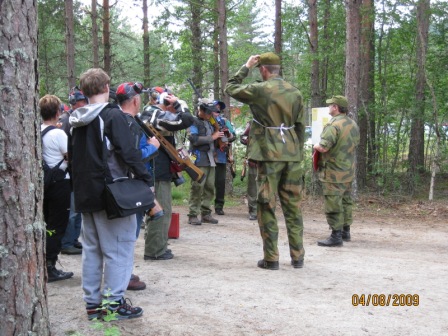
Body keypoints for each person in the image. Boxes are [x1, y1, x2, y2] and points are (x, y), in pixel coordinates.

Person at [68, 68, 153, 320]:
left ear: (84, 91)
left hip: (85, 193)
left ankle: (93, 304)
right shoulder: (112, 116)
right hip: (113, 193)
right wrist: (146, 180)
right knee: (119, 250)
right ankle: (112, 304)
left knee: (92, 250)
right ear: (107, 87)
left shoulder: (74, 119)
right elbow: (129, 153)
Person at [225, 52, 306, 270]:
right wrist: (297, 152)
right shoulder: (295, 92)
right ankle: (298, 256)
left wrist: (246, 66)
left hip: (269, 154)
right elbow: (299, 127)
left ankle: (271, 258)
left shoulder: (261, 90)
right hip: (292, 154)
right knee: (293, 206)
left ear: (263, 69)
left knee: (266, 204)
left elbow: (230, 87)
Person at [116, 81, 160, 290]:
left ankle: (122, 275)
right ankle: (124, 277)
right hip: (132, 185)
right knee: (129, 234)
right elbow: (133, 157)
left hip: (122, 185)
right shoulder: (129, 124)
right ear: (135, 100)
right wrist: (152, 148)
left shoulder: (118, 121)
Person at [141, 91, 194, 259]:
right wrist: (179, 105)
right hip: (156, 169)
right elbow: (186, 120)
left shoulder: (154, 112)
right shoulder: (154, 113)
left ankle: (159, 245)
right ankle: (155, 251)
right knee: (160, 210)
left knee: (163, 210)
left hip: (159, 168)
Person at [314, 95, 360, 247]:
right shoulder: (353, 124)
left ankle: (336, 235)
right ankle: (346, 231)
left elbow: (324, 147)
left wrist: (315, 146)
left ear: (336, 107)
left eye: (331, 105)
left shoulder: (334, 125)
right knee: (346, 201)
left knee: (333, 203)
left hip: (333, 172)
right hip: (348, 170)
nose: (329, 107)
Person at [39, 94, 74, 282]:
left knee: (47, 223)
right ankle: (50, 265)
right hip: (60, 184)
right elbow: (70, 157)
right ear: (58, 112)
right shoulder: (59, 134)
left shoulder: (38, 130)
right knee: (57, 225)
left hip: (45, 183)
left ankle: (44, 262)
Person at [187, 99, 224, 225]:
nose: (210, 115)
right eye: (208, 112)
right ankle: (193, 214)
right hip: (198, 158)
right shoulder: (193, 122)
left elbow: (220, 134)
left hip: (211, 158)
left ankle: (206, 213)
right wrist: (212, 137)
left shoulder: (211, 122)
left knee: (209, 187)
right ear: (201, 111)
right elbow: (194, 139)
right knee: (197, 187)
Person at [60, 86, 88, 255]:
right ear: (75, 103)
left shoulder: (76, 118)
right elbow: (65, 149)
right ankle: (67, 242)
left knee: (77, 209)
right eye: (82, 102)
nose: (85, 104)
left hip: (77, 172)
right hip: (69, 173)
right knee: (71, 210)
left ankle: (74, 239)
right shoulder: (66, 120)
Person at [212, 100, 236, 216]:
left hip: (220, 156)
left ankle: (219, 206)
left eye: (218, 108)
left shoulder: (224, 121)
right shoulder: (204, 121)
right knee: (204, 182)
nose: (217, 110)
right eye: (214, 107)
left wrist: (227, 135)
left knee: (220, 182)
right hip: (206, 156)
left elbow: (234, 136)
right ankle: (203, 207)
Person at [240, 121, 258, 221]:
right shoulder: (252, 123)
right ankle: (253, 211)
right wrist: (250, 141)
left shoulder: (273, 122)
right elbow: (242, 137)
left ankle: (266, 211)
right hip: (254, 160)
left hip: (269, 161)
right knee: (253, 188)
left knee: (268, 187)